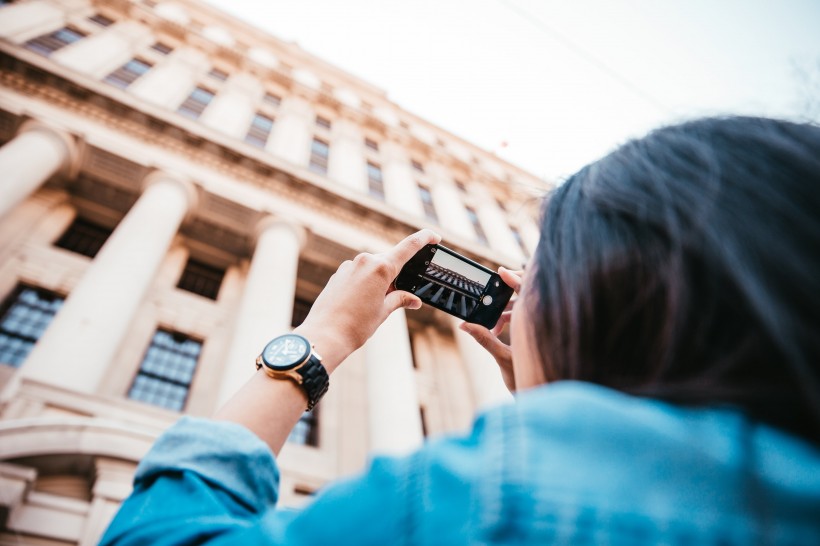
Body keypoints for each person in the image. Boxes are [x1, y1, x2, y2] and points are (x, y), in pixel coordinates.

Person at [100, 116, 820, 544]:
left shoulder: (505, 486)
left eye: (536, 268)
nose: (515, 286)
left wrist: (308, 353)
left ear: (603, 300)